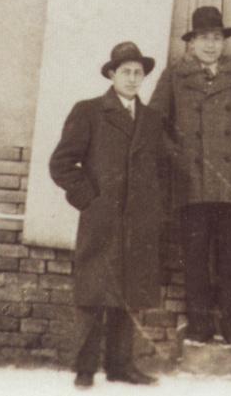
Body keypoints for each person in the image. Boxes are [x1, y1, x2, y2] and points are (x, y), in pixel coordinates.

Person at [49, 41, 178, 388]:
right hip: (101, 218)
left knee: (129, 293)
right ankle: (84, 369)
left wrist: (155, 207)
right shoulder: (89, 111)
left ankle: (121, 367)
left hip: (139, 221)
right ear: (112, 74)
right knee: (93, 294)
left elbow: (163, 167)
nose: (133, 78)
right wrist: (89, 199)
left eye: (138, 73)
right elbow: (61, 164)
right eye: (126, 72)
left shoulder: (151, 119)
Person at [148, 6, 231, 345]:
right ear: (192, 42)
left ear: (224, 41)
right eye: (204, 38)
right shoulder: (175, 75)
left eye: (216, 38)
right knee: (196, 259)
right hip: (192, 181)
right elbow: (154, 124)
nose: (211, 45)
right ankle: (199, 328)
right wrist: (179, 158)